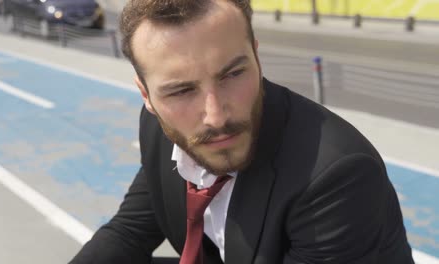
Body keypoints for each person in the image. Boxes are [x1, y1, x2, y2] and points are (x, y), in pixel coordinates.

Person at [70, 0, 414, 263]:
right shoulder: (160, 127)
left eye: (233, 74)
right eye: (180, 91)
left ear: (257, 58)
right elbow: (129, 232)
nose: (216, 116)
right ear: (147, 96)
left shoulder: (336, 175)